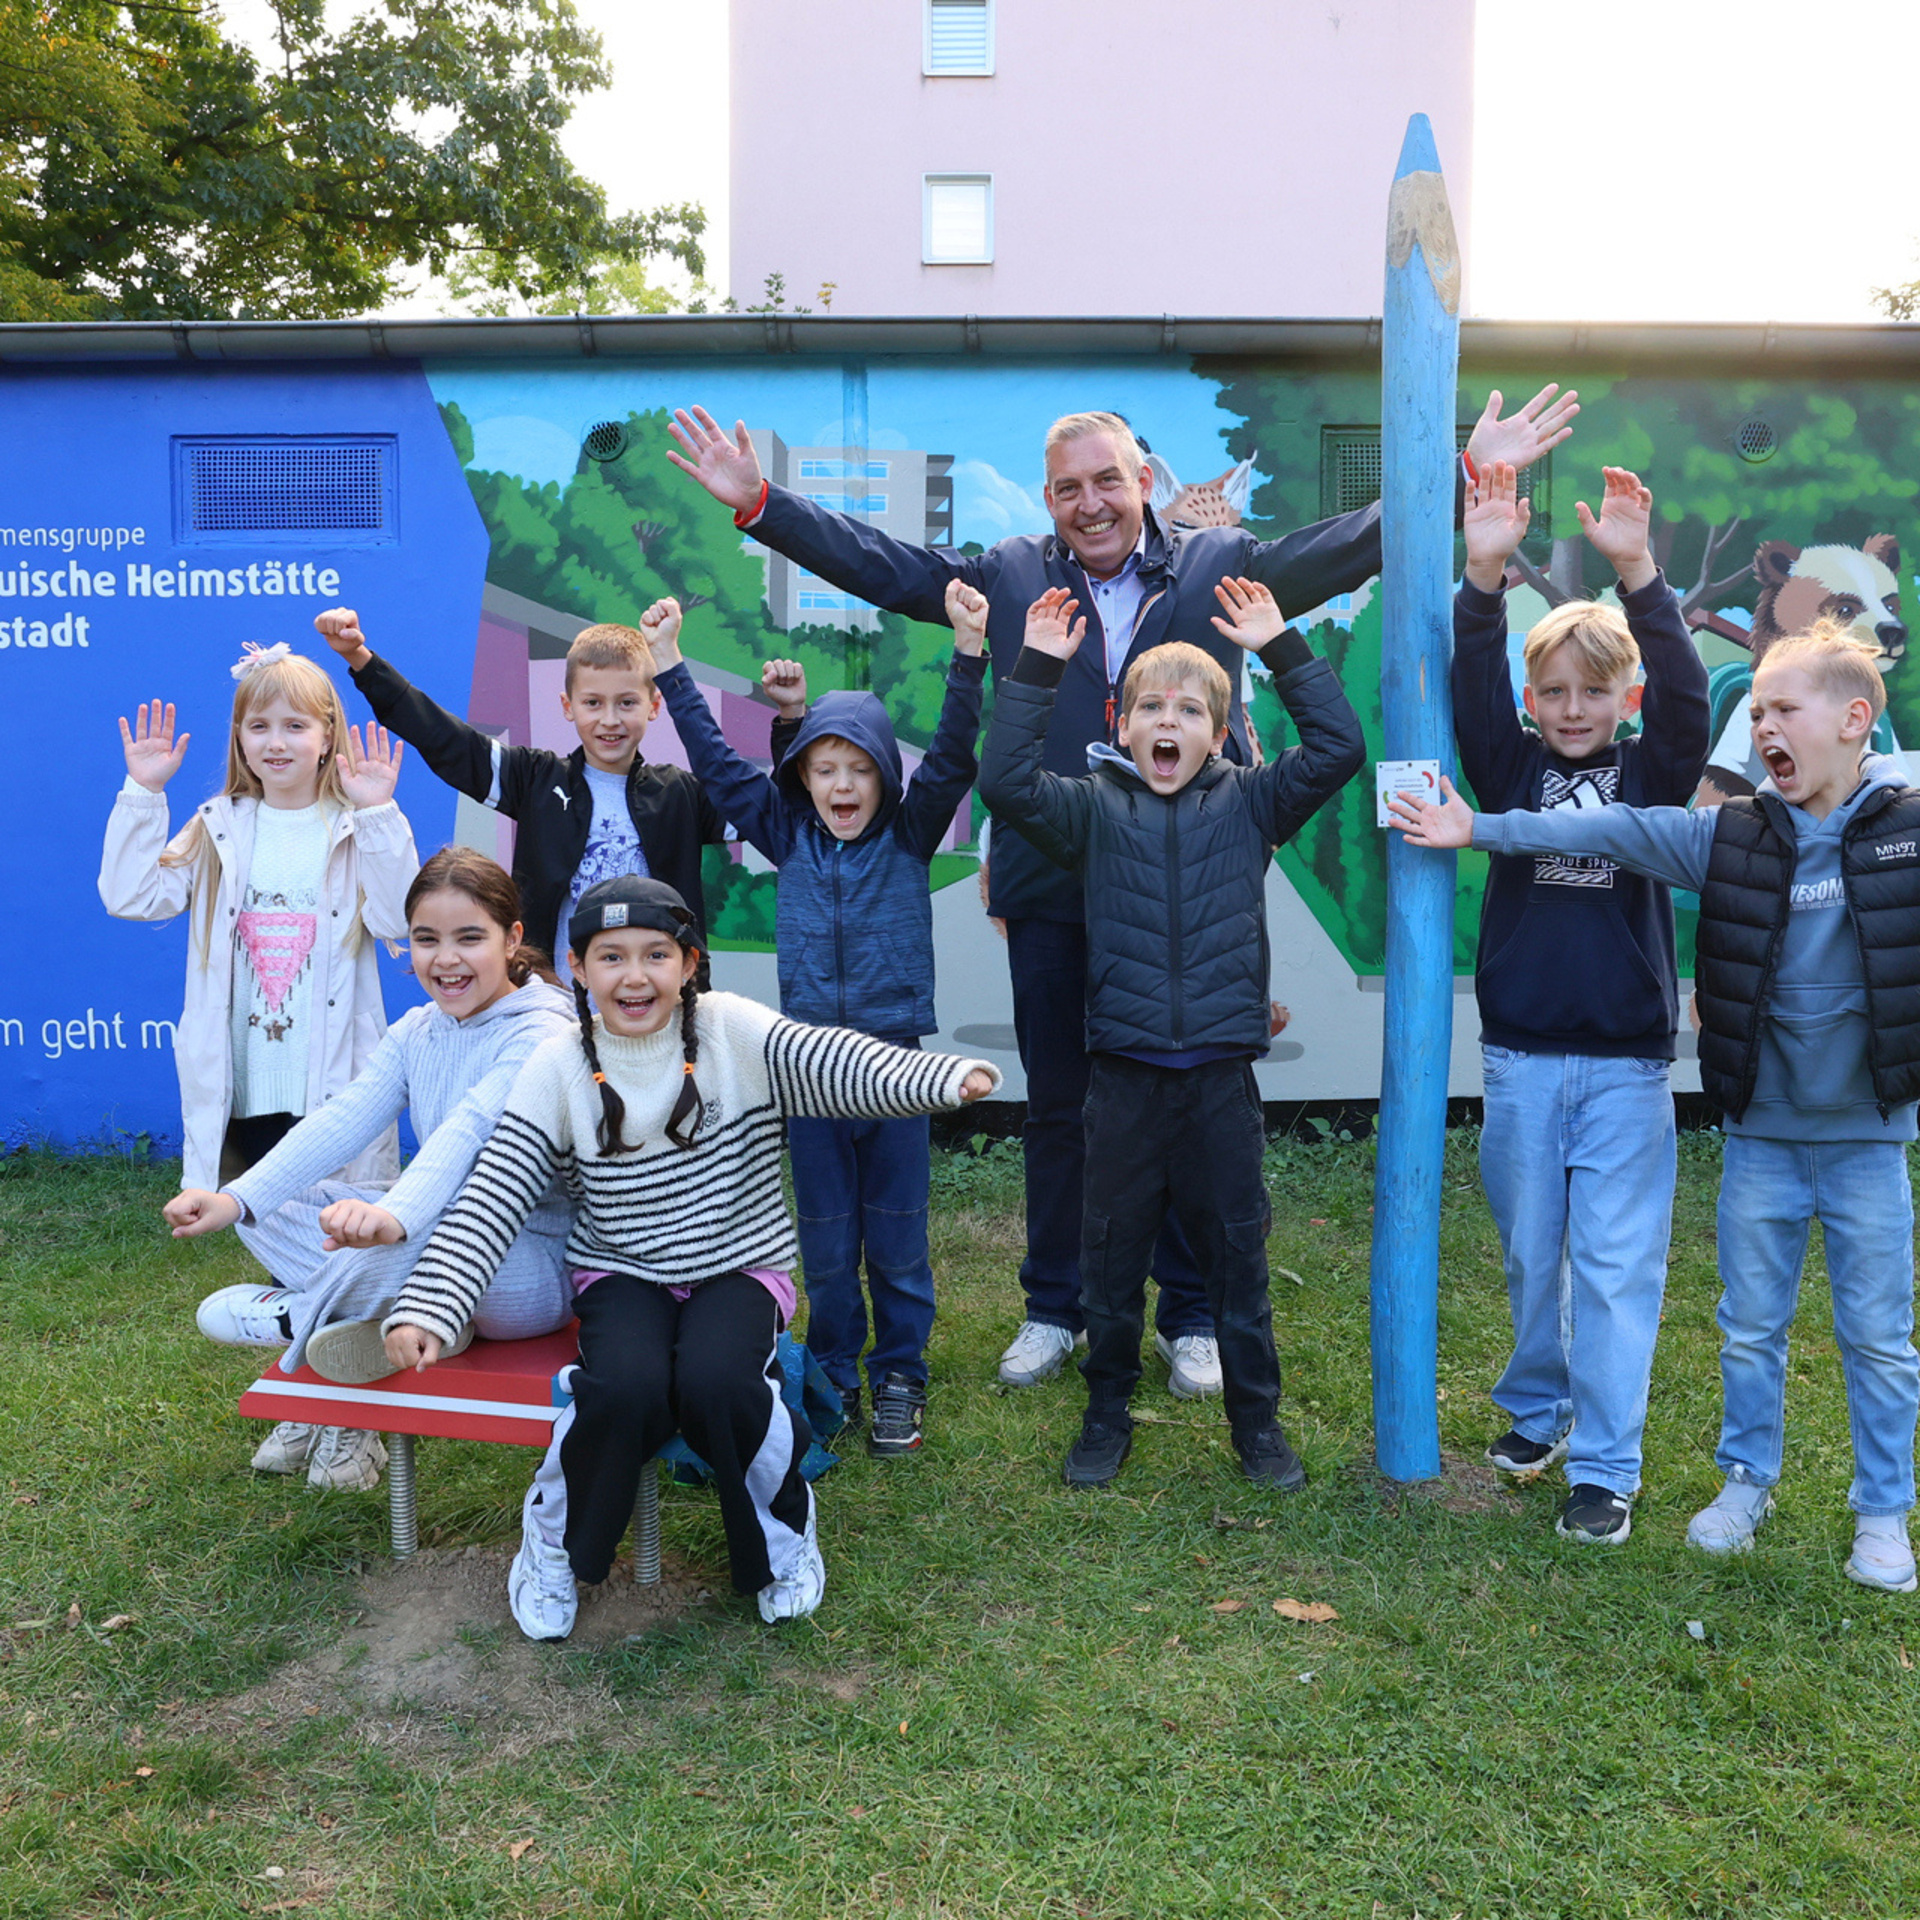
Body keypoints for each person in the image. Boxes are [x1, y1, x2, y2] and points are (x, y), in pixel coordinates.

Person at [667, 389, 1577, 1397]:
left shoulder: (1220, 564)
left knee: (1186, 1099)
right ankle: (1055, 1306)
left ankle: (1188, 1315)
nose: (1091, 503)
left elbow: (1349, 544)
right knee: (1060, 1106)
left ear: (1145, 480)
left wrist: (1459, 478)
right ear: (1047, 499)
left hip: (1191, 885)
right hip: (1052, 878)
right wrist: (762, 504)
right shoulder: (1009, 576)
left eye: (1109, 480)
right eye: (1069, 489)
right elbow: (890, 568)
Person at [1393, 621, 1920, 1592]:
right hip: (1664, 1104)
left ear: (1853, 721)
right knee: (1590, 1271)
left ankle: (1629, 1475)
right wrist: (1482, 824)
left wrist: (1641, 574)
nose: (1760, 725)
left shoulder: (1879, 826)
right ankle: (1652, 1449)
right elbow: (1590, 822)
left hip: (1760, 1109)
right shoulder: (1722, 835)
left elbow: (1672, 707)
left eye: (1780, 709)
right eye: (1753, 711)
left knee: (1642, 1278)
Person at [388, 876, 1000, 1639]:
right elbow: (495, 1190)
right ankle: (554, 1548)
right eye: (610, 958)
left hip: (738, 1262)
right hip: (622, 1268)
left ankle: (782, 1544)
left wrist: (940, 1077)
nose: (634, 976)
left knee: (719, 1379)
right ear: (579, 968)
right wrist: (430, 1305)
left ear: (689, 963)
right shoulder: (556, 1065)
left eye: (655, 955)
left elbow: (834, 1061)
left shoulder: (731, 1031)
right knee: (623, 1386)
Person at [979, 575, 1363, 1489]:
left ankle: (1258, 1427)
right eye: (1151, 706)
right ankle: (1107, 1411)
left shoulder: (1255, 803)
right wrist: (1037, 666)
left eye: (1191, 710)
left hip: (1220, 1082)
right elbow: (1003, 780)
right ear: (1120, 724)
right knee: (1110, 1260)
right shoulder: (1090, 811)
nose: (1170, 722)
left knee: (1237, 1255)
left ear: (1220, 733)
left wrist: (1282, 648)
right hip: (1124, 1079)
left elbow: (1340, 747)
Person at [641, 586, 986, 1457]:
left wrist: (971, 651)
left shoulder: (909, 835)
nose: (841, 783)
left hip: (897, 1066)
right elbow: (720, 766)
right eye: (824, 768)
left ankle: (900, 1373)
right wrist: (672, 667)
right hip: (809, 1071)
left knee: (898, 1238)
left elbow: (951, 755)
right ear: (802, 778)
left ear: (883, 776)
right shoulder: (787, 836)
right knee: (828, 1241)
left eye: (858, 767)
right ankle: (834, 1366)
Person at [1450, 462, 1711, 1544]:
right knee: (1529, 1253)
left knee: (1613, 1268)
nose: (1571, 709)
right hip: (1519, 1057)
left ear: (1625, 699)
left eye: (1592, 692)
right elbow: (1469, 683)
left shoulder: (1653, 777)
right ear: (1531, 699)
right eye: (1553, 691)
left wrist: (1638, 571)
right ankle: (1538, 1410)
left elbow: (1695, 697)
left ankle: (1605, 1468)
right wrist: (1483, 571)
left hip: (1625, 1067)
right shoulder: (1509, 772)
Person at [162, 849, 578, 1488]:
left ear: (512, 938)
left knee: (392, 1249)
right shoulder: (419, 1030)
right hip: (439, 1222)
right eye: (426, 939)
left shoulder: (544, 1032)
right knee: (277, 1205)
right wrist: (238, 1199)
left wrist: (392, 1217)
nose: (446, 960)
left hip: (528, 1263)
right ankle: (415, 1314)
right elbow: (346, 1115)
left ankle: (296, 1321)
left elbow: (467, 1135)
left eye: (470, 938)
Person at [99, 644, 416, 1196]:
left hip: (334, 1083)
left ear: (326, 737)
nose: (275, 742)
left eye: (295, 725)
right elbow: (133, 896)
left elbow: (398, 921)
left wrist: (379, 814)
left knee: (338, 1231)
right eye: (259, 725)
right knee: (268, 1227)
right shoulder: (216, 826)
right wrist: (144, 793)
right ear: (239, 739)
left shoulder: (355, 826)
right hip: (243, 1083)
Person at [313, 606, 725, 975]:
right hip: (555, 1009)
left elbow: (758, 802)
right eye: (593, 703)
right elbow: (444, 738)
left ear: (654, 706)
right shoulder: (536, 779)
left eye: (627, 703)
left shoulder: (681, 794)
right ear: (568, 706)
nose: (610, 719)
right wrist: (360, 661)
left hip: (658, 1010)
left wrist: (786, 720)